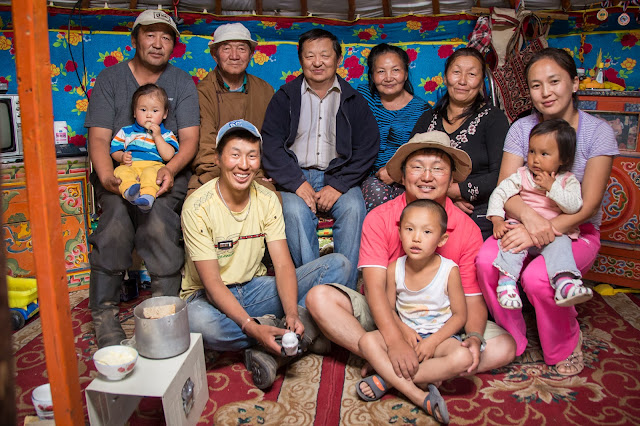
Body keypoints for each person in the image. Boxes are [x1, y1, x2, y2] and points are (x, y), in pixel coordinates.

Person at [306, 131, 517, 388]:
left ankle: (387, 370)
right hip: (386, 313)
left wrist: (473, 336)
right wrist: (395, 339)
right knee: (319, 298)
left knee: (504, 347)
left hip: (440, 324)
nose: (427, 177)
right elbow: (374, 288)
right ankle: (407, 364)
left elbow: (472, 298)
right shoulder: (380, 218)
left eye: (438, 168)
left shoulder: (466, 228)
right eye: (417, 167)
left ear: (451, 178)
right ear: (403, 176)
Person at [476, 47, 619, 376]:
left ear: (574, 83)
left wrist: (543, 230)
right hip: (522, 222)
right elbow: (507, 189)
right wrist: (530, 222)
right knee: (486, 261)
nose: (545, 92)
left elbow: (589, 205)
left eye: (554, 81)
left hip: (574, 230)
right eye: (536, 85)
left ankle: (564, 342)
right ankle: (513, 338)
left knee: (538, 279)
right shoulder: (521, 128)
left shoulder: (596, 132)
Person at [180, 120, 350, 390]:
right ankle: (295, 335)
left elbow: (282, 265)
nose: (243, 165)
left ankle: (284, 330)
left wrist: (291, 311)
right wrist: (252, 327)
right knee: (197, 324)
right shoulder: (197, 207)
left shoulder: (267, 199)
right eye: (235, 155)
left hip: (255, 289)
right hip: (207, 298)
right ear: (218, 159)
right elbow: (212, 285)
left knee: (338, 265)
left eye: (252, 156)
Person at [84, 10, 200, 348]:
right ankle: (104, 314)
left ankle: (164, 310)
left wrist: (171, 170)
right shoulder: (110, 79)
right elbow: (99, 138)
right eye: (150, 35)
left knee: (158, 219)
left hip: (165, 172)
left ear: (174, 45)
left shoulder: (182, 82)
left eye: (166, 37)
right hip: (119, 171)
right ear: (135, 39)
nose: (158, 43)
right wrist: (107, 177)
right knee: (115, 220)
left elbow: (189, 140)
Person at [261, 29, 379, 288]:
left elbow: (368, 147)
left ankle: (344, 290)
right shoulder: (285, 97)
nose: (317, 62)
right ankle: (311, 287)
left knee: (353, 208)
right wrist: (295, 182)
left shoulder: (354, 100)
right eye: (309, 56)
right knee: (293, 212)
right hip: (295, 175)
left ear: (338, 59)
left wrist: (338, 185)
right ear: (300, 60)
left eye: (325, 55)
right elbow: (270, 144)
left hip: (337, 175)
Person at [357, 199, 471, 424]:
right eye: (409, 229)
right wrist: (403, 330)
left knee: (463, 357)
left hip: (440, 339)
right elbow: (389, 309)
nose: (416, 238)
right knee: (366, 341)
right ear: (399, 233)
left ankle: (387, 380)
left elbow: (460, 316)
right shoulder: (394, 268)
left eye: (427, 232)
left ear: (442, 239)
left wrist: (433, 342)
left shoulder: (449, 270)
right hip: (406, 338)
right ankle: (420, 381)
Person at [488, 119, 593, 310]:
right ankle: (507, 283)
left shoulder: (567, 181)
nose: (535, 159)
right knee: (510, 242)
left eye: (544, 154)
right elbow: (500, 193)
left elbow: (574, 207)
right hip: (521, 227)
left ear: (563, 159)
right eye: (531, 151)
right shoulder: (522, 175)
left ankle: (564, 283)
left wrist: (552, 187)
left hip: (551, 232)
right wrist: (497, 219)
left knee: (561, 245)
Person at [411, 47, 509, 240]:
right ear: (445, 77)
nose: (462, 81)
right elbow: (409, 165)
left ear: (481, 82)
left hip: (477, 206)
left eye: (471, 74)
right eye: (456, 72)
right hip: (429, 200)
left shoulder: (493, 119)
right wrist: (446, 197)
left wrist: (459, 191)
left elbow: (501, 175)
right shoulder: (427, 118)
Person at [188, 23, 275, 196]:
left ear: (251, 54)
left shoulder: (265, 90)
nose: (234, 56)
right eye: (226, 49)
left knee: (274, 202)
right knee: (198, 204)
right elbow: (205, 145)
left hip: (255, 172)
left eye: (241, 49)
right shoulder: (202, 91)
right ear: (215, 55)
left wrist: (270, 171)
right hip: (214, 170)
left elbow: (273, 139)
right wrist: (230, 176)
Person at [357, 43, 430, 211]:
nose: (388, 78)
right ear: (372, 75)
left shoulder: (422, 110)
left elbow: (423, 153)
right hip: (365, 176)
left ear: (406, 73)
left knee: (408, 202)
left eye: (395, 70)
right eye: (381, 71)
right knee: (376, 192)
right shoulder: (362, 97)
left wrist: (397, 173)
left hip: (407, 177)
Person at [111, 84, 179, 211]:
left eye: (155, 111)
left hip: (153, 165)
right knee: (120, 171)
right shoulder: (126, 132)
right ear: (134, 113)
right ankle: (130, 191)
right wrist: (121, 156)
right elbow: (114, 150)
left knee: (152, 175)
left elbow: (168, 155)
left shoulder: (166, 134)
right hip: (130, 165)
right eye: (143, 110)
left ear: (164, 114)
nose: (148, 115)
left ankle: (147, 198)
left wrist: (157, 136)